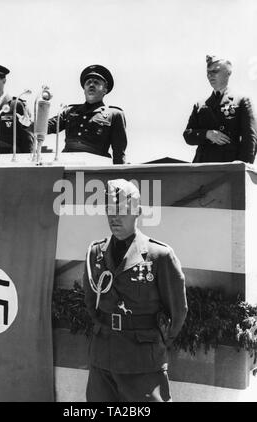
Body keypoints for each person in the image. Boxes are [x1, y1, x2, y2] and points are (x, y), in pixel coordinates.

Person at [83, 179, 188, 402]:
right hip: (103, 359)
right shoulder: (96, 253)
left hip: (143, 362)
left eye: (122, 210)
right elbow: (91, 304)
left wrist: (157, 341)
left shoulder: (159, 255)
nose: (115, 217)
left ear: (137, 212)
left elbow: (178, 310)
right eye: (110, 210)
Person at [183, 55, 257, 163]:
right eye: (208, 72)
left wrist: (243, 167)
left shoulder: (241, 101)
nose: (210, 75)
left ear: (228, 73)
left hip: (228, 167)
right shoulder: (200, 105)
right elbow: (188, 135)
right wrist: (208, 134)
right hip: (202, 168)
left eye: (215, 71)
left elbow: (250, 138)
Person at [47, 65, 127, 164]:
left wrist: (118, 175)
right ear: (84, 88)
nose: (91, 85)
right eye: (88, 82)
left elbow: (119, 153)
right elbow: (44, 127)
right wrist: (25, 120)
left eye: (96, 82)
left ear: (105, 90)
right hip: (67, 166)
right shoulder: (70, 111)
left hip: (94, 170)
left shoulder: (114, 114)